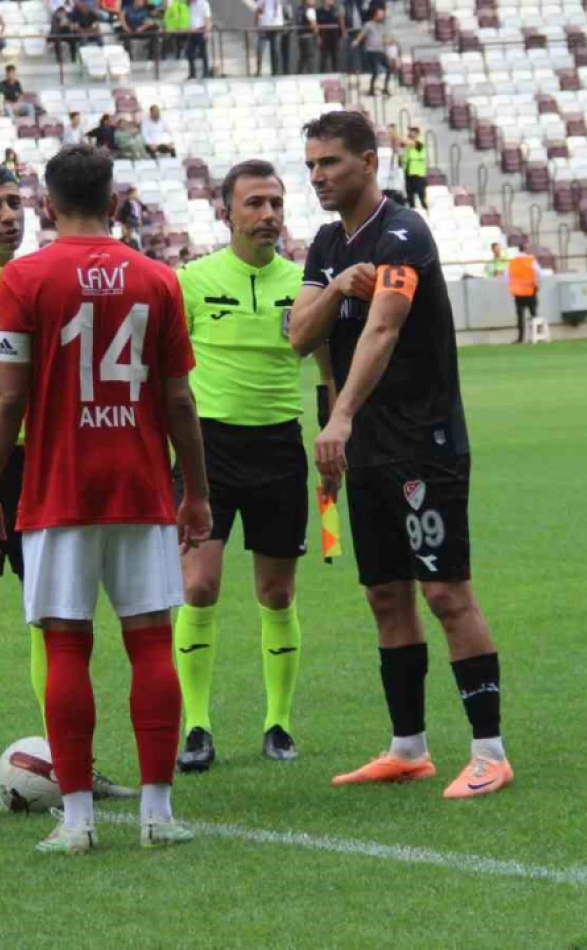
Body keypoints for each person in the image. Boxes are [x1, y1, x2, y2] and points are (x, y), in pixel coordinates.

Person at [0, 145, 209, 853]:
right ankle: (158, 816)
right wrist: (193, 490)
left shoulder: (26, 276)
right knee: (152, 641)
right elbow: (180, 399)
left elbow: (8, 393)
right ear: (115, 200)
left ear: (47, 203)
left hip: (58, 487)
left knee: (67, 646)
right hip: (139, 484)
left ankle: (76, 824)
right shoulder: (158, 279)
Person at [287, 111, 513, 800]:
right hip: (365, 447)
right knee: (385, 592)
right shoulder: (328, 244)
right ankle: (408, 747)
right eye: (311, 166)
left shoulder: (404, 231)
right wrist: (335, 284)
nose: (319, 177)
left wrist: (341, 417)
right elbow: (298, 334)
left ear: (369, 161)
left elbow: (382, 329)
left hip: (424, 439)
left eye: (330, 163)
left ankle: (489, 751)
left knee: (445, 591)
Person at [170, 160, 314, 771]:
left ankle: (278, 723)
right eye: (254, 203)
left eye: (276, 203)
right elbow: (166, 372)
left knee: (276, 592)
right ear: (226, 212)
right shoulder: (191, 281)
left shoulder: (307, 285)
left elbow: (329, 366)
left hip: (280, 446)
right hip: (208, 450)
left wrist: (338, 431)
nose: (268, 215)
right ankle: (197, 725)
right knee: (199, 585)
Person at [507, 248, 542, 343]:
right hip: (530, 291)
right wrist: (537, 284)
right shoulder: (530, 260)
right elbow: (539, 272)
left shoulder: (512, 262)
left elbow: (507, 276)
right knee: (534, 314)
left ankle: (520, 338)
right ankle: (537, 336)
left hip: (518, 293)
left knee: (520, 316)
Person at [355, 6, 390, 96]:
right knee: (375, 71)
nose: (382, 16)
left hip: (380, 51)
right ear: (375, 15)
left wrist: (389, 42)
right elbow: (362, 34)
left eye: (382, 15)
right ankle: (371, 89)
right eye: (380, 15)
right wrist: (356, 41)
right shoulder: (368, 25)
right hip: (371, 51)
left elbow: (383, 39)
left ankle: (385, 88)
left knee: (389, 69)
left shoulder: (382, 26)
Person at [398, 126, 428, 210]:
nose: (411, 133)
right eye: (410, 131)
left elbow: (409, 142)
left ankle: (425, 209)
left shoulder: (419, 143)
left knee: (421, 196)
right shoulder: (407, 145)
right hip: (408, 171)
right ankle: (412, 209)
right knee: (410, 195)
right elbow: (401, 149)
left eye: (413, 132)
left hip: (418, 172)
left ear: (417, 133)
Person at [255, 0, 286, 75]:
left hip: (276, 26)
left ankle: (275, 71)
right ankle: (259, 70)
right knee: (260, 48)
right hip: (264, 26)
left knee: (275, 50)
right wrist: (257, 23)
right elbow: (259, 10)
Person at [187, 0, 212, 79]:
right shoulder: (189, 4)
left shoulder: (203, 3)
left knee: (203, 53)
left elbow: (207, 18)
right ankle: (192, 73)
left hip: (201, 30)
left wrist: (207, 32)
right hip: (191, 31)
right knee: (189, 53)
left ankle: (206, 73)